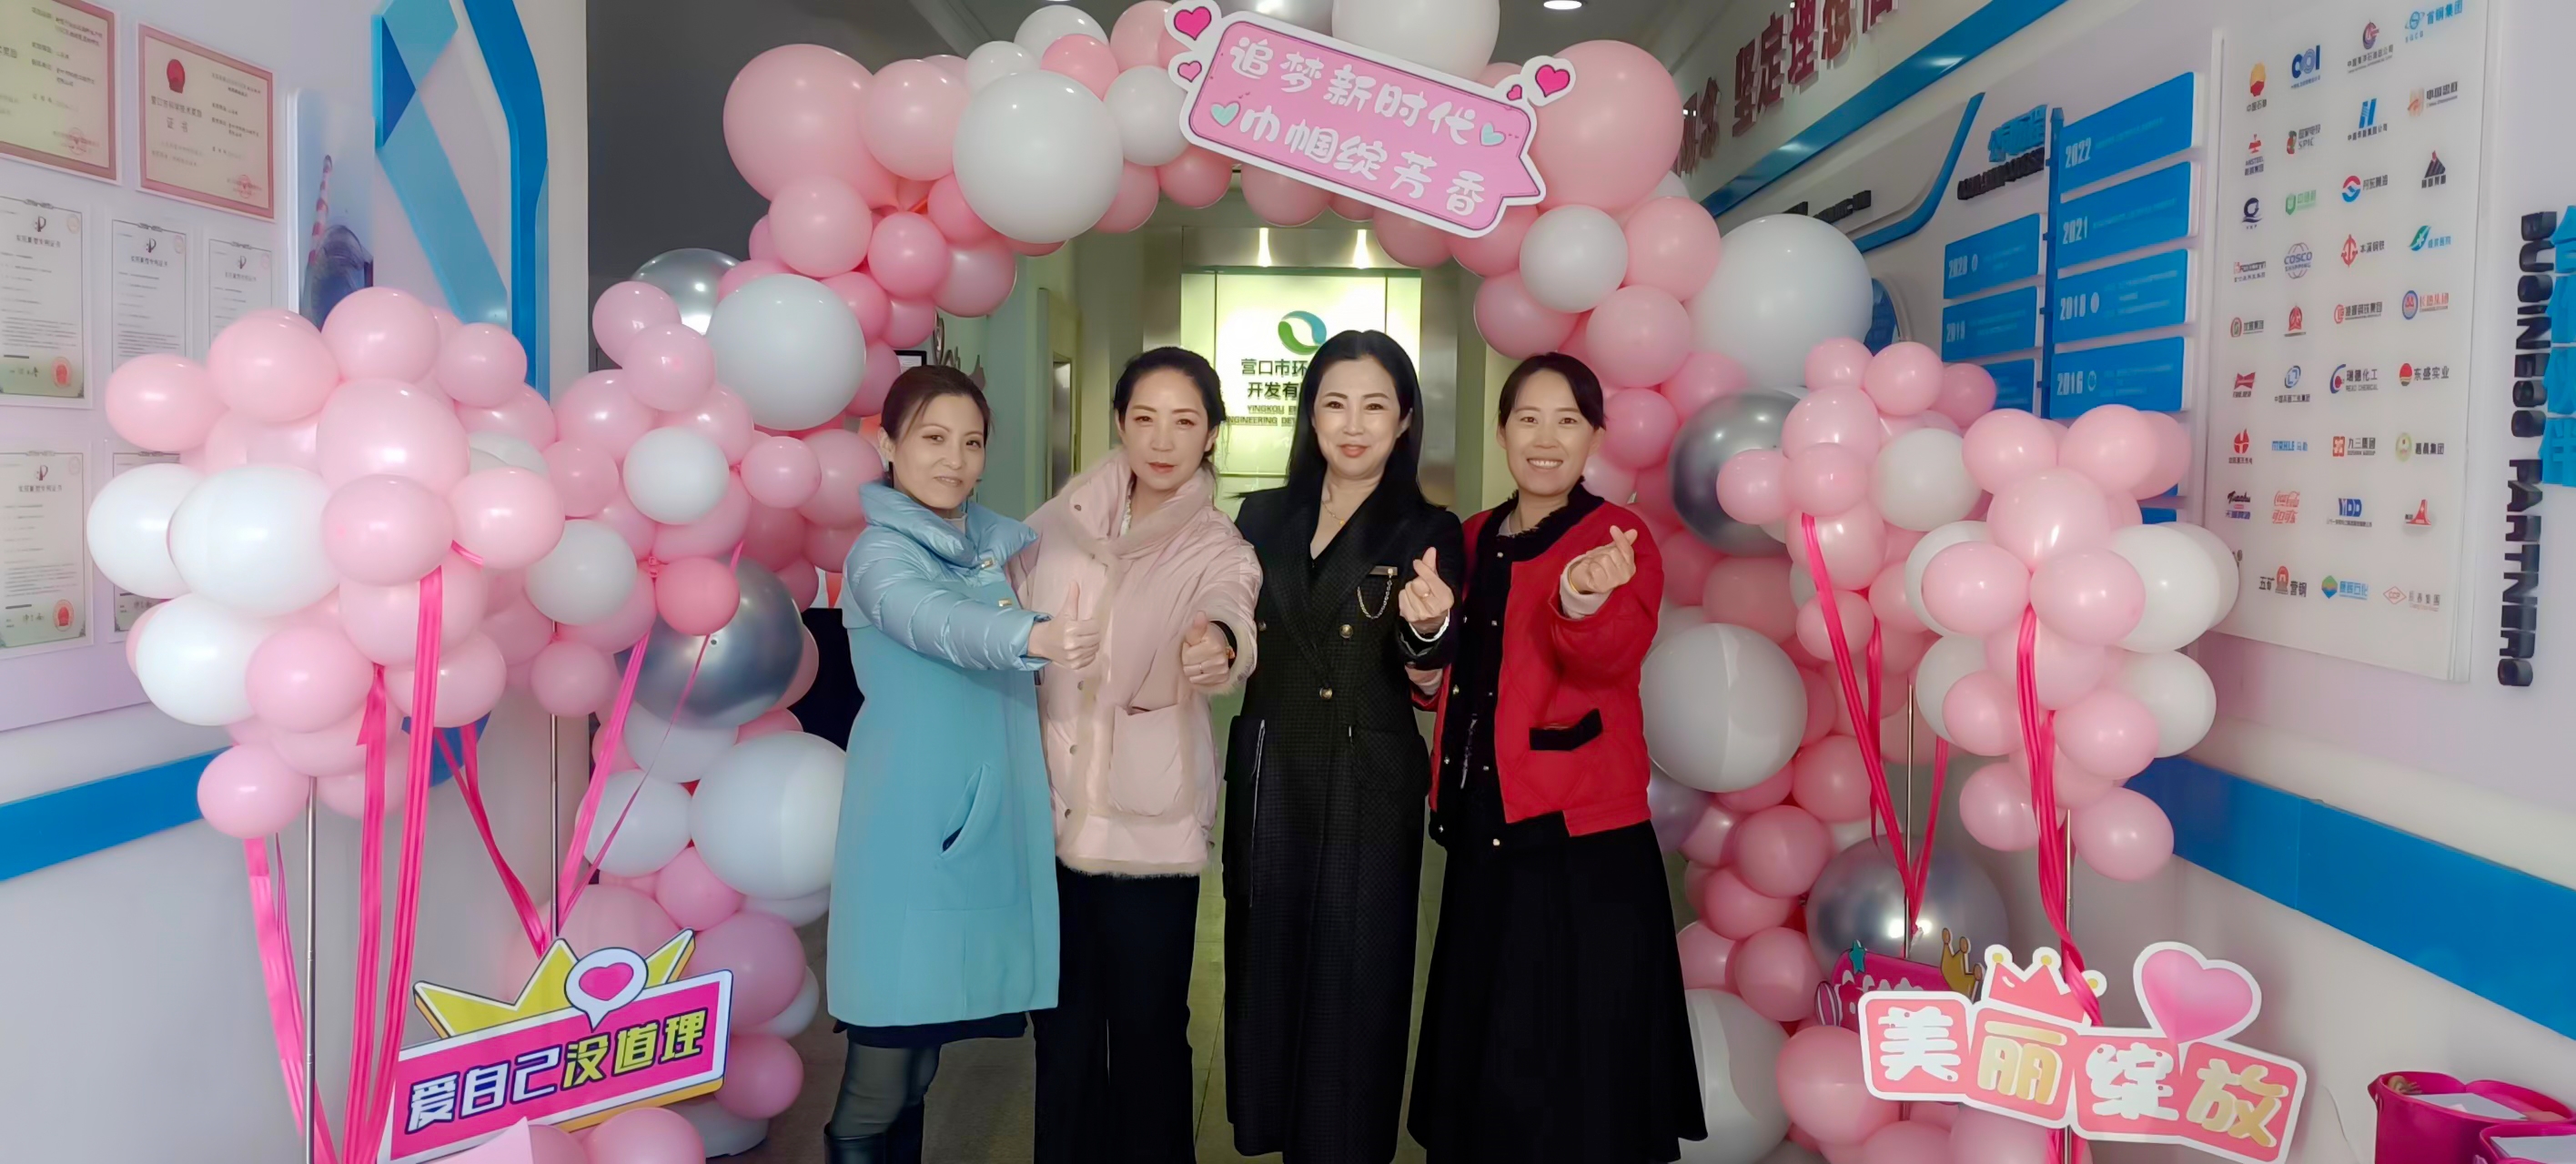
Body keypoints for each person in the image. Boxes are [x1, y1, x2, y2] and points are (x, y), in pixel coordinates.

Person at [1405, 353, 1705, 1163]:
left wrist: (1582, 598)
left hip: (1579, 836)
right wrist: (1425, 639)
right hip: (1482, 820)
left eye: (1567, 420)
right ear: (1501, 430)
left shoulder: (1617, 539)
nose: (1545, 439)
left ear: (1594, 436)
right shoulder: (1470, 537)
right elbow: (1447, 679)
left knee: (1578, 1054)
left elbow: (1610, 655)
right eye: (1528, 419)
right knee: (1490, 1039)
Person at [826, 366, 1101, 1164]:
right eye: (933, 438)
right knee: (880, 1071)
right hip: (907, 832)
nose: (954, 459)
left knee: (918, 1066)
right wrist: (1030, 635)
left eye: (971, 442)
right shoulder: (880, 553)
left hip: (968, 828)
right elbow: (932, 620)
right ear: (888, 445)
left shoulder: (987, 550)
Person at [1224, 329, 1464, 1164]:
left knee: (1354, 978)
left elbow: (1427, 661)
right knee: (1269, 963)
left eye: (1374, 406)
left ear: (1405, 420)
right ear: (1310, 415)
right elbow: (1228, 619)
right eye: (1334, 403)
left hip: (1367, 777)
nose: (1353, 424)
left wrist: (1428, 626)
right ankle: (1276, 1130)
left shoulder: (1427, 527)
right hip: (1273, 768)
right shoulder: (1259, 515)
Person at [1018, 348, 1262, 1163]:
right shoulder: (1055, 523)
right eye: (1145, 417)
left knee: (1150, 1028)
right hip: (1052, 811)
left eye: (1184, 421)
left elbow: (1232, 607)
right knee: (1061, 1028)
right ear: (1119, 421)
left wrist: (1218, 644)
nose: (1162, 439)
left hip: (1147, 827)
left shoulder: (1218, 544)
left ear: (1211, 434)